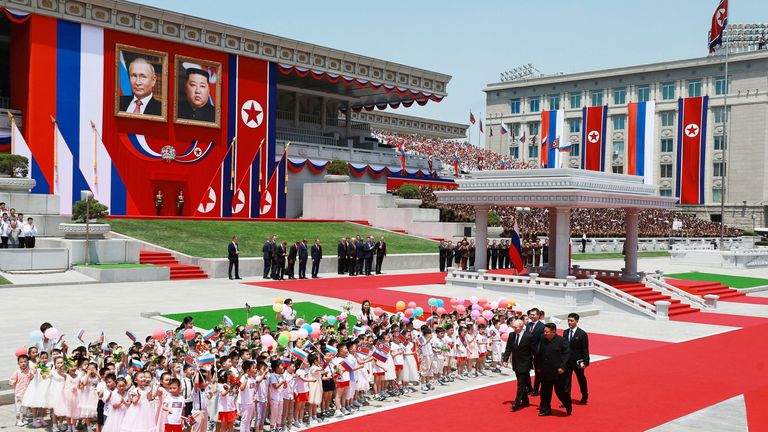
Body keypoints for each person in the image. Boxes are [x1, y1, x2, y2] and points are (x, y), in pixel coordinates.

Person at [535, 323, 572, 416]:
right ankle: (545, 409)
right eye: (544, 331)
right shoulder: (542, 338)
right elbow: (539, 353)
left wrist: (562, 367)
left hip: (558, 372)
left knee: (561, 392)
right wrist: (538, 366)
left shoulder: (562, 341)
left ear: (554, 332)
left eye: (547, 332)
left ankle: (568, 405)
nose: (545, 333)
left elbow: (566, 355)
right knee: (545, 392)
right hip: (545, 370)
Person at [502, 320, 533, 412]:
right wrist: (505, 360)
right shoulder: (511, 335)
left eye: (516, 327)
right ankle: (526, 401)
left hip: (525, 363)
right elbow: (508, 348)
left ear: (522, 326)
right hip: (516, 363)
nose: (515, 329)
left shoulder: (528, 336)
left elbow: (534, 350)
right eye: (513, 327)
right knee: (522, 383)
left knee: (520, 384)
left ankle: (516, 402)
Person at [563, 313, 589, 405]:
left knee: (581, 379)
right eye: (568, 320)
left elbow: (585, 349)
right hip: (567, 361)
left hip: (578, 361)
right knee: (566, 381)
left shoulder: (582, 334)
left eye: (572, 321)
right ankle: (566, 399)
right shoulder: (565, 332)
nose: (569, 322)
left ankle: (584, 395)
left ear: (577, 321)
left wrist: (585, 362)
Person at [526, 308, 544, 396]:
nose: (531, 316)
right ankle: (529, 387)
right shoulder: (528, 325)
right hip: (527, 353)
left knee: (538, 372)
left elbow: (542, 341)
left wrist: (537, 352)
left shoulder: (542, 326)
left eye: (533, 315)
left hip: (537, 353)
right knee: (525, 370)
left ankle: (536, 389)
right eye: (531, 315)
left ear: (538, 315)